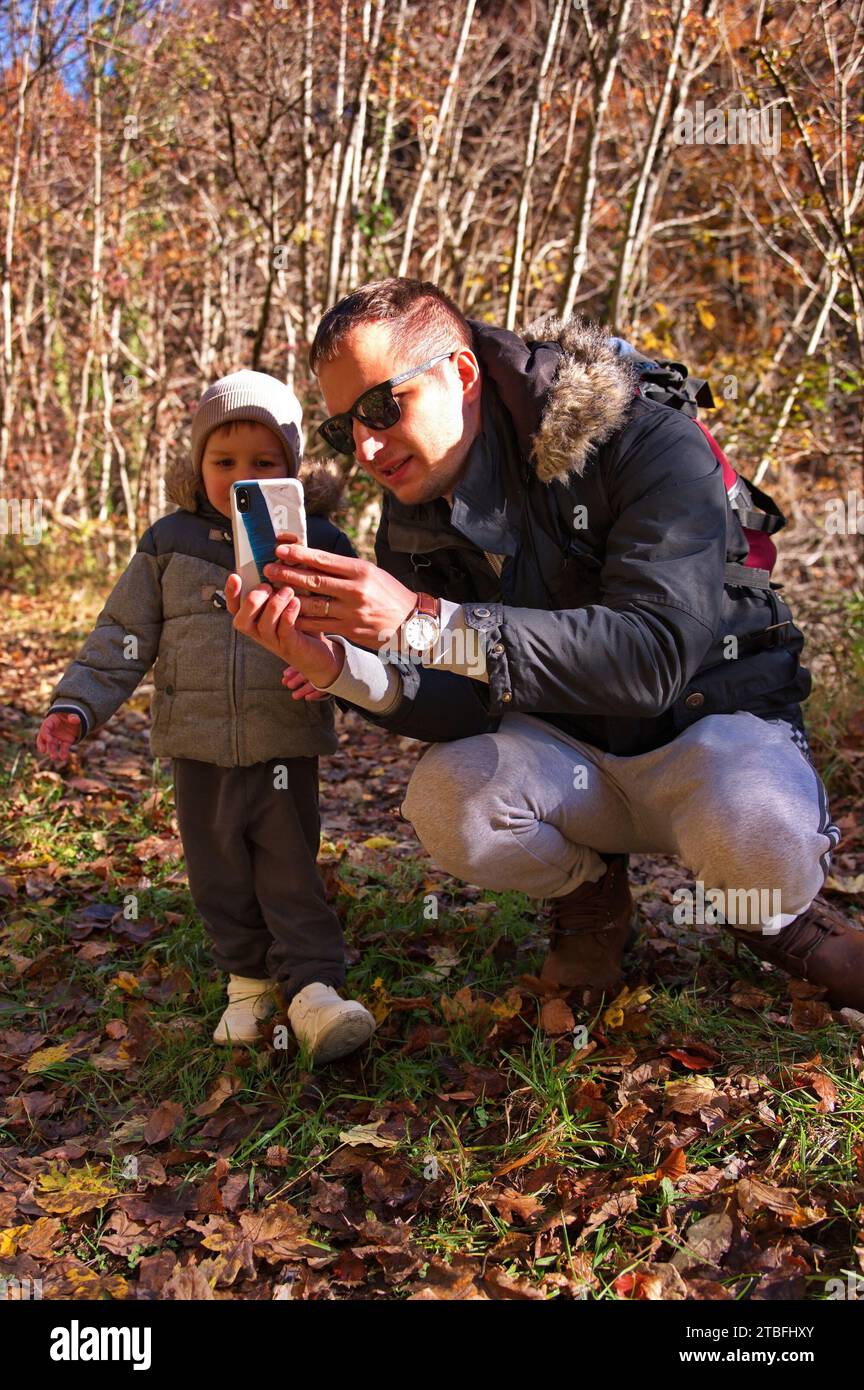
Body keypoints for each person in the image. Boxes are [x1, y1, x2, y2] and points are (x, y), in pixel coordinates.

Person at [226, 278, 864, 1012]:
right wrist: (339, 669)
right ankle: (593, 897)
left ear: (461, 375)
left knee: (758, 833)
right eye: (344, 429)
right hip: (572, 759)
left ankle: (778, 921)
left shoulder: (644, 440)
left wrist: (421, 622)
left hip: (710, 735)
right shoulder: (412, 517)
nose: (366, 446)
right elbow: (458, 704)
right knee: (446, 799)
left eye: (380, 406)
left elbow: (653, 654)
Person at [37, 370, 376, 1062]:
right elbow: (122, 634)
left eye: (264, 462)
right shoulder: (168, 544)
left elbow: (360, 636)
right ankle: (248, 982)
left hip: (284, 744)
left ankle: (315, 990)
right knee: (216, 869)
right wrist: (78, 706)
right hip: (196, 747)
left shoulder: (321, 543)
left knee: (289, 867)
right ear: (198, 465)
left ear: (292, 466)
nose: (240, 476)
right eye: (224, 462)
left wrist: (334, 675)